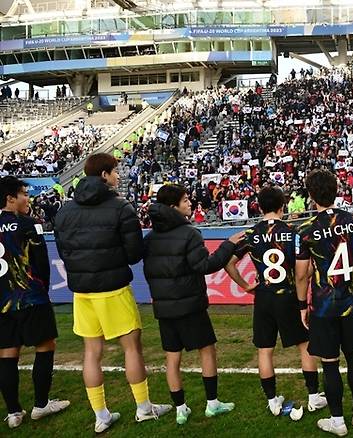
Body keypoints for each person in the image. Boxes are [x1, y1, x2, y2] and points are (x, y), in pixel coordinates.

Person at [54, 153, 172, 433]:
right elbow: (133, 254)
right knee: (131, 348)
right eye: (115, 171)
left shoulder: (64, 210)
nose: (118, 176)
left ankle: (101, 415)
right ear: (104, 175)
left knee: (91, 352)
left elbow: (63, 252)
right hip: (113, 287)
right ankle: (143, 408)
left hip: (82, 292)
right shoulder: (120, 207)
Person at [143, 184, 243, 425]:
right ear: (172, 207)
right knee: (206, 350)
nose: (190, 204)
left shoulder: (150, 237)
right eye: (185, 200)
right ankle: (212, 403)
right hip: (190, 305)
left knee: (172, 357)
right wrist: (228, 244)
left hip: (165, 308)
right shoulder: (189, 233)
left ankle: (180, 409)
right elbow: (205, 266)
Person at [225, 186, 327, 417]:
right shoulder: (294, 231)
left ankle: (272, 401)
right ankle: (313, 397)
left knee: (264, 350)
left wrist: (245, 285)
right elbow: (306, 269)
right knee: (305, 346)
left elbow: (229, 262)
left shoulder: (251, 234)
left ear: (259, 207)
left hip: (264, 296)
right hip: (289, 295)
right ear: (283, 206)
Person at [295, 170, 353, 436]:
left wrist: (302, 306)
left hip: (323, 305)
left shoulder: (306, 229)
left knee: (329, 363)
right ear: (336, 189)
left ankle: (338, 421)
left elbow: (301, 274)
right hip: (350, 301)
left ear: (310, 195)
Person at [0, 177, 70, 429]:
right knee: (45, 346)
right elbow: (41, 262)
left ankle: (14, 413)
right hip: (31, 296)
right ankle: (41, 404)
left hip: (2, 303)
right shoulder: (30, 224)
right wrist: (43, 290)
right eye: (23, 194)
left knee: (7, 353)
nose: (26, 198)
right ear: (10, 198)